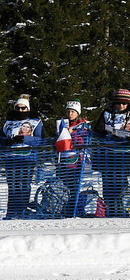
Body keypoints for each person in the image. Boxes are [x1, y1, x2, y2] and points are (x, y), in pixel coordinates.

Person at [0, 95, 44, 219]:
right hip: (11, 158)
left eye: (23, 108)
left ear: (27, 108)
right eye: (18, 108)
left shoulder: (36, 122)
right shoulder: (8, 122)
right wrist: (5, 141)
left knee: (24, 185)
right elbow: (0, 137)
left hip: (27, 159)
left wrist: (25, 138)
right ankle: (11, 212)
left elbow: (40, 140)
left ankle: (22, 211)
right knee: (12, 185)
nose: (20, 111)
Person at [93, 88, 130, 217]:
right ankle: (110, 208)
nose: (122, 106)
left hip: (124, 155)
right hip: (107, 154)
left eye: (124, 104)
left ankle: (120, 207)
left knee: (120, 181)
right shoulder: (106, 113)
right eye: (119, 103)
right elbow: (98, 129)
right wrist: (107, 131)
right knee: (108, 181)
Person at [55, 99, 90, 217]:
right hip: (62, 161)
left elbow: (84, 141)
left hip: (76, 162)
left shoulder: (82, 125)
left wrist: (72, 134)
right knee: (65, 186)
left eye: (72, 112)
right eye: (68, 112)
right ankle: (66, 208)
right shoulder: (62, 124)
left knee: (74, 186)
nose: (70, 114)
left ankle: (73, 210)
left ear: (77, 113)